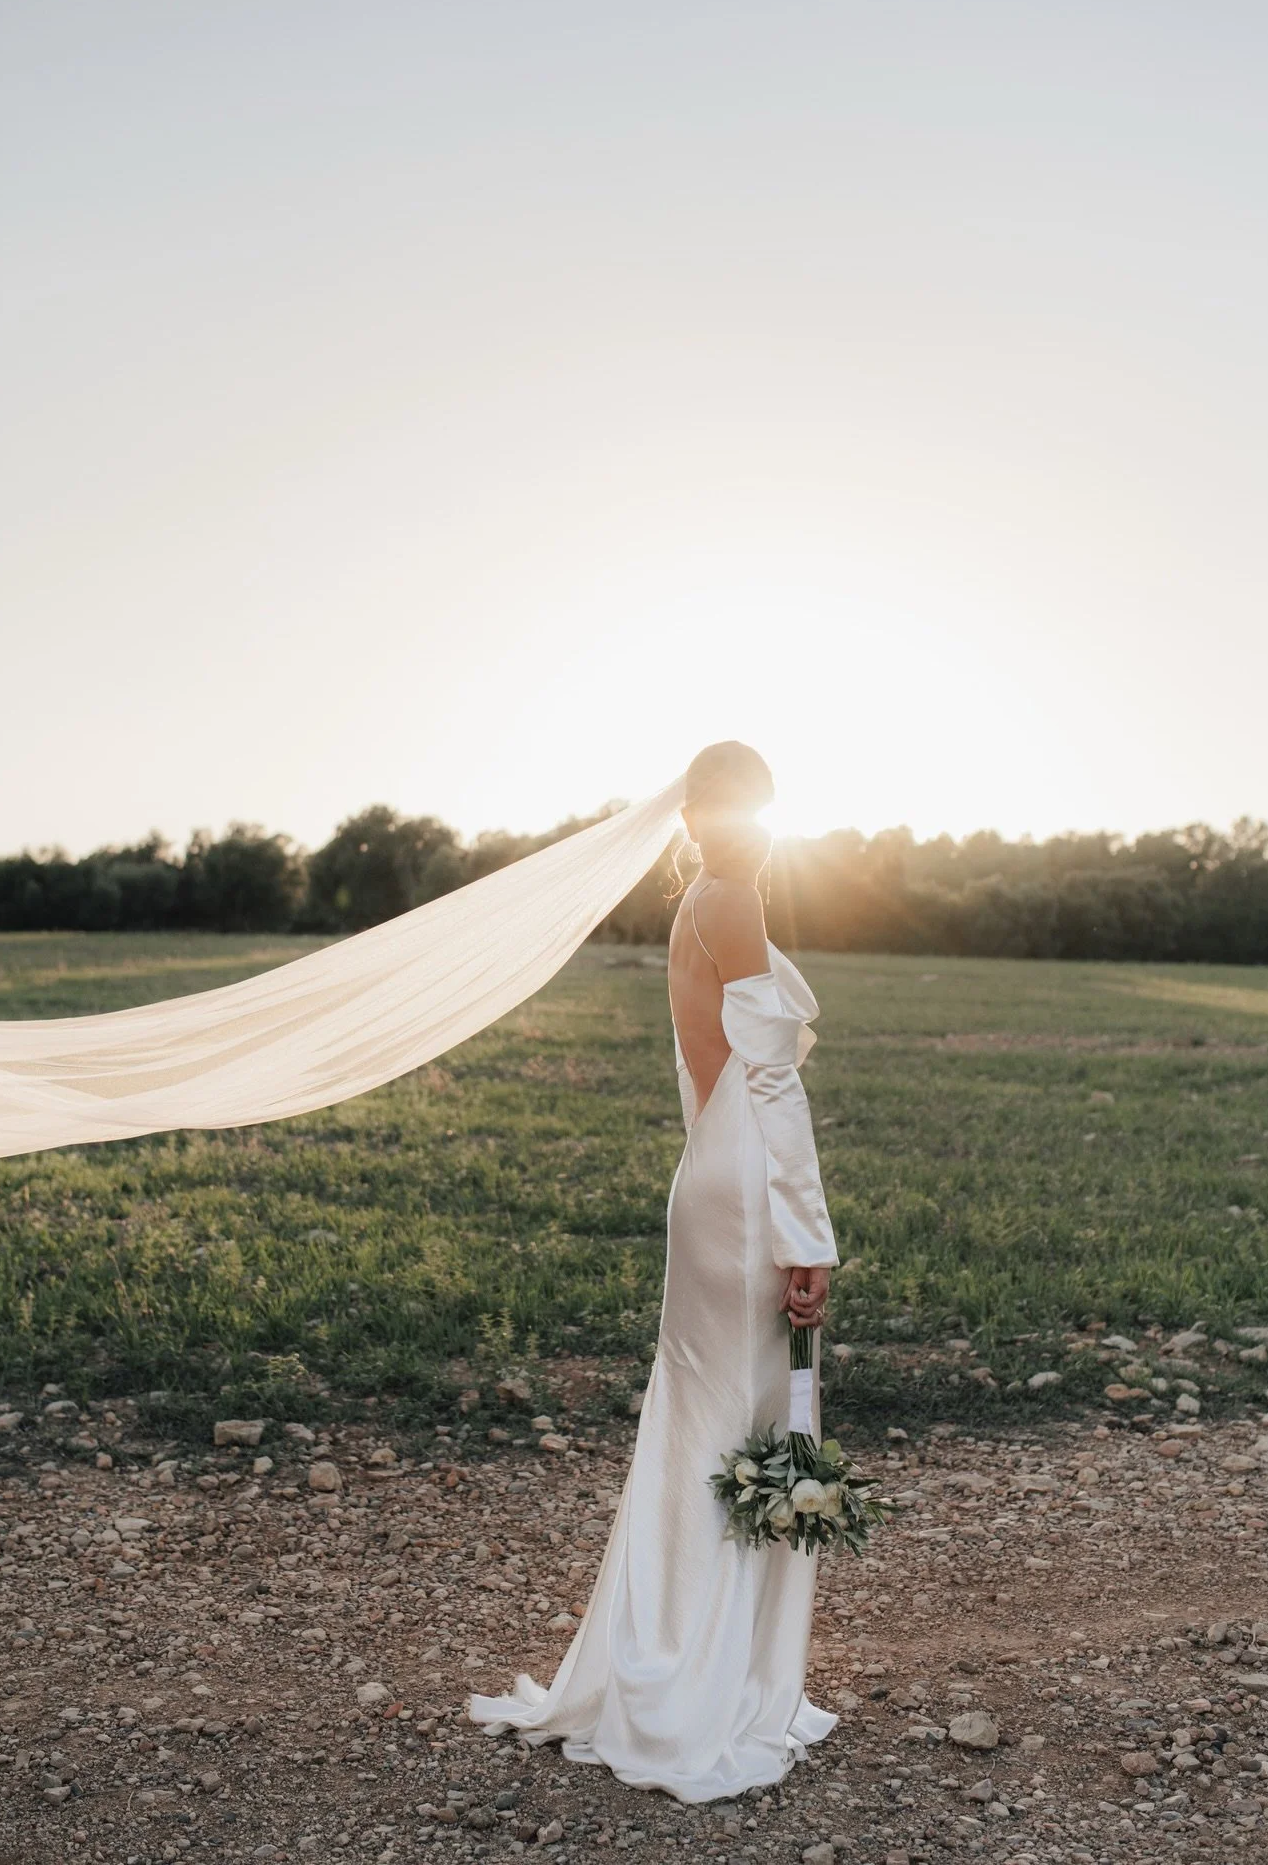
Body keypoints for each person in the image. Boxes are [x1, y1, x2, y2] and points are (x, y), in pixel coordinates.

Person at [470, 741, 840, 1801]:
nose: (760, 830)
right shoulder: (731, 903)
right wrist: (804, 1233)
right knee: (747, 1421)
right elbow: (770, 1084)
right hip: (748, 1180)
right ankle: (703, 1681)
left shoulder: (702, 904)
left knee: (712, 1420)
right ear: (723, 819)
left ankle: (685, 1654)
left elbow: (707, 1071)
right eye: (751, 811)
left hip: (710, 1178)